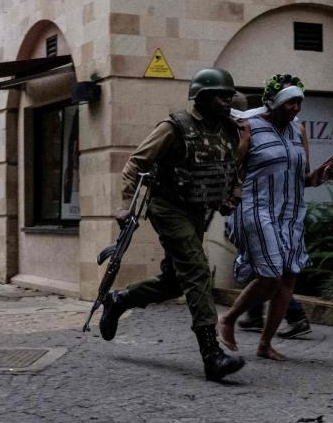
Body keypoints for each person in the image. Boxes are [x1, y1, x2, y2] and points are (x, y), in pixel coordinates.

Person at [99, 68, 246, 382]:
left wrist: (232, 194)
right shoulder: (174, 127)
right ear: (202, 97)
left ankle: (120, 299)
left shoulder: (228, 130)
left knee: (175, 281)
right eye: (221, 95)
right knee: (197, 270)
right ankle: (211, 355)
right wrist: (125, 205)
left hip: (197, 212)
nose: (227, 100)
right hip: (167, 207)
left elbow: (233, 169)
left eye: (229, 95)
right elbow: (136, 164)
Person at [218, 74, 333, 360]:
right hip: (256, 207)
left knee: (288, 278)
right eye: (290, 102)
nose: (296, 107)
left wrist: (325, 175)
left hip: (290, 212)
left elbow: (306, 178)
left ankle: (265, 344)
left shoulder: (298, 131)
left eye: (299, 101)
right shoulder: (249, 127)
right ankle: (227, 319)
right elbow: (230, 170)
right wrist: (226, 199)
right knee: (272, 276)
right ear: (274, 102)